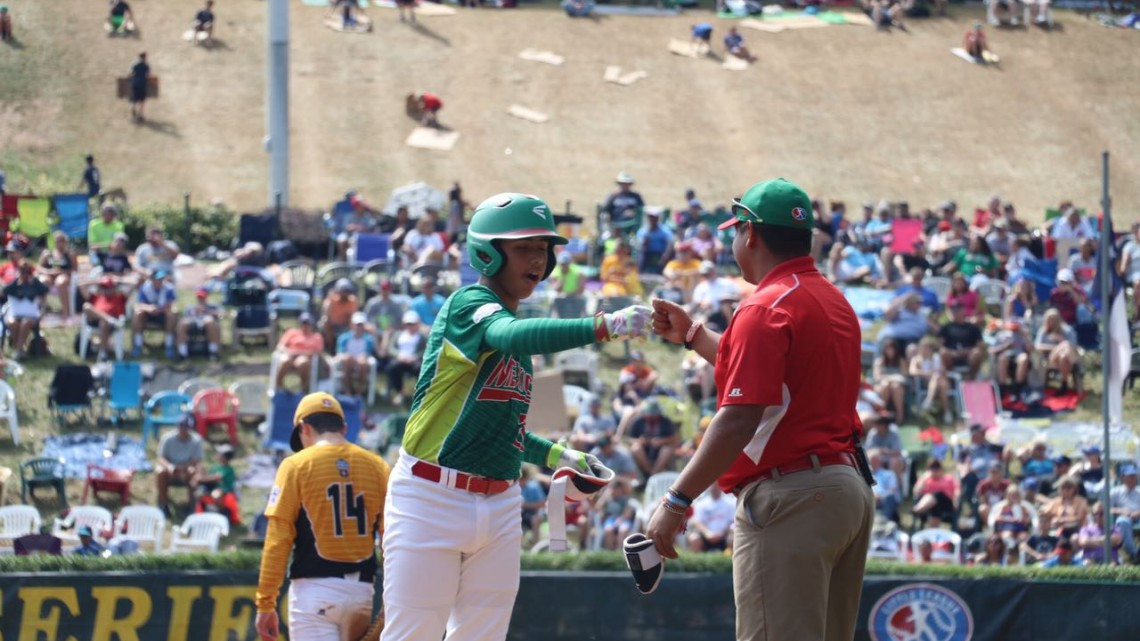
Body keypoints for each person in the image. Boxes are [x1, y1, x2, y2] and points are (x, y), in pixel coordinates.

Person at [380, 193, 649, 641]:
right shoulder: (469, 306)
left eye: (544, 249)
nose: (538, 259)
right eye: (524, 247)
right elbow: (506, 334)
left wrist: (559, 455)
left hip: (502, 503)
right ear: (487, 251)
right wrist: (603, 325)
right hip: (431, 497)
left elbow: (505, 432)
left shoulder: (516, 339)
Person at [647, 178, 873, 641]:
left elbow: (740, 417)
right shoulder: (832, 300)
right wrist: (694, 336)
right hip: (845, 490)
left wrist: (676, 500)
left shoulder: (764, 307)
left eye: (735, 231)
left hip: (791, 496)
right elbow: (775, 382)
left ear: (750, 234)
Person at [255, 393, 390, 641]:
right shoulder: (377, 466)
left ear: (304, 428)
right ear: (344, 427)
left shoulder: (295, 465)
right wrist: (393, 596)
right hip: (362, 591)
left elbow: (278, 539)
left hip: (314, 592)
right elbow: (391, 539)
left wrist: (265, 602)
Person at [156, 415, 205, 517]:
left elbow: (197, 460)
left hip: (187, 469)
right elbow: (161, 458)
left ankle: (191, 506)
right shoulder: (167, 439)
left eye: (186, 428)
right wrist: (170, 467)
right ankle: (164, 505)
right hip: (170, 470)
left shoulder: (197, 440)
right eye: (181, 427)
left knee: (195, 472)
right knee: (160, 471)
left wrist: (184, 468)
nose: (183, 430)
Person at [3, 263, 48, 360]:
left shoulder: (35, 284)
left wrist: (43, 308)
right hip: (14, 314)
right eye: (22, 272)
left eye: (27, 272)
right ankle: (20, 350)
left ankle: (18, 350)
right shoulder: (14, 284)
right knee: (12, 323)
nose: (24, 275)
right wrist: (17, 280)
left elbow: (45, 291)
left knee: (25, 322)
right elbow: (3, 291)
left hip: (31, 316)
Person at [625, 398, 679, 479]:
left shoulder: (666, 421)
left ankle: (654, 474)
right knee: (635, 448)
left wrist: (661, 441)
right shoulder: (638, 421)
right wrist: (640, 441)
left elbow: (674, 438)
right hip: (644, 451)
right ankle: (648, 473)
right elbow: (630, 439)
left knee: (667, 449)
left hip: (660, 451)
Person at [131, 270, 177, 358]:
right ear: (152, 279)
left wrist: (159, 310)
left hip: (163, 315)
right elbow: (140, 304)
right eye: (158, 279)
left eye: (161, 279)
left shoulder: (169, 288)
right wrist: (149, 308)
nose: (160, 281)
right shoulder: (145, 287)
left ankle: (169, 346)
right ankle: (138, 345)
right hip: (148, 315)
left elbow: (170, 304)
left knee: (171, 315)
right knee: (138, 314)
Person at [1035, 308, 1083, 393]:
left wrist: (1060, 339)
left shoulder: (1067, 330)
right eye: (1049, 321)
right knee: (1065, 344)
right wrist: (1056, 347)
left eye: (1053, 320)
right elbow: (1038, 346)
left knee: (1063, 356)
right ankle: (1076, 365)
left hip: (1065, 357)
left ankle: (1064, 385)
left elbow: (1074, 346)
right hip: (1049, 357)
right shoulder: (1043, 331)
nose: (1051, 323)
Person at [274, 313, 325, 391]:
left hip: (305, 357)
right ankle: (278, 386)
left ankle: (303, 389)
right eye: (304, 323)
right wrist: (289, 352)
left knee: (303, 362)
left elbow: (318, 351)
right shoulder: (292, 333)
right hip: (289, 355)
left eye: (308, 323)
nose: (306, 325)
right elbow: (280, 346)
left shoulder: (317, 337)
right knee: (285, 360)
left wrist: (301, 353)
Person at [82, 276, 128, 361]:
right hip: (95, 320)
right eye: (104, 287)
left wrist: (119, 280)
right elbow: (81, 285)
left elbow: (134, 283)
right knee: (86, 306)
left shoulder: (119, 297)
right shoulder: (96, 296)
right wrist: (96, 282)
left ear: (113, 287)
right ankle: (109, 320)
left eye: (109, 287)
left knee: (103, 323)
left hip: (110, 324)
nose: (106, 290)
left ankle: (103, 354)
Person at [36, 232, 78, 320]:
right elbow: (39, 267)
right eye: (57, 241)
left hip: (63, 275)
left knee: (61, 282)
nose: (59, 243)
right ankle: (42, 309)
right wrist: (48, 271)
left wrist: (62, 271)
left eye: (62, 241)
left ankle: (66, 311)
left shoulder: (70, 254)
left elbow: (74, 269)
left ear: (65, 242)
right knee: (43, 281)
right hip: (49, 275)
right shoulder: (47, 253)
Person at [193, 444, 239, 523]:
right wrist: (200, 473)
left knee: (216, 494)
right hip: (213, 488)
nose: (217, 455)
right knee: (199, 493)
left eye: (219, 454)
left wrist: (201, 478)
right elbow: (209, 477)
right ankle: (202, 513)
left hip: (225, 491)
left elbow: (217, 477)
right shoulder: (215, 467)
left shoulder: (228, 469)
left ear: (224, 457)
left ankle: (221, 512)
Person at [909, 339, 953, 423]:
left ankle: (929, 400)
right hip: (926, 383)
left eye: (927, 348)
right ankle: (947, 412)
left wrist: (937, 374)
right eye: (923, 348)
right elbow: (912, 371)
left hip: (941, 382)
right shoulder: (917, 359)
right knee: (938, 380)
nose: (925, 350)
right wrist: (929, 373)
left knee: (941, 382)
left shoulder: (937, 358)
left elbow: (944, 371)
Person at [939, 301, 985, 378]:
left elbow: (979, 346)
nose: (955, 313)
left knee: (977, 353)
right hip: (952, 355)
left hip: (969, 355)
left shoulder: (972, 327)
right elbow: (941, 346)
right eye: (953, 310)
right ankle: (951, 378)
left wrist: (967, 351)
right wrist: (953, 352)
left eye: (957, 310)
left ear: (963, 310)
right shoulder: (946, 327)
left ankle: (970, 378)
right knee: (944, 353)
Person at [336, 312, 377, 398]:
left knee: (362, 363)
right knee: (347, 360)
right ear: (352, 325)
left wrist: (360, 358)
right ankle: (347, 390)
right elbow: (340, 352)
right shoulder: (344, 338)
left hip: (361, 361)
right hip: (347, 361)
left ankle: (359, 392)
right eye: (357, 325)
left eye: (360, 325)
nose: (358, 327)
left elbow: (367, 353)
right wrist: (350, 358)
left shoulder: (369, 339)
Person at [687, 484, 736, 552]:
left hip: (725, 534)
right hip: (706, 535)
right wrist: (707, 533)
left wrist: (721, 533)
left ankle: (732, 561)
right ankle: (695, 561)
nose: (714, 488)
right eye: (712, 486)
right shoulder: (701, 503)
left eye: (716, 486)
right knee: (694, 538)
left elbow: (732, 521)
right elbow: (697, 522)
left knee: (734, 538)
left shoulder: (731, 503)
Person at [912, 459, 960, 528]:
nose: (935, 470)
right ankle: (934, 533)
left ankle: (917, 510)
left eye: (937, 468)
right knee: (934, 505)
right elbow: (916, 492)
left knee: (937, 495)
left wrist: (956, 500)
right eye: (932, 468)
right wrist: (924, 478)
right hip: (929, 506)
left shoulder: (949, 478)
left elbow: (957, 490)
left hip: (946, 503)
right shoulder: (925, 479)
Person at [177, 288, 221, 360]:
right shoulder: (190, 308)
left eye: (202, 297)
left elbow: (222, 314)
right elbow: (185, 317)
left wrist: (207, 311)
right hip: (192, 324)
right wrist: (194, 312)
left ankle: (213, 352)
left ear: (206, 297)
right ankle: (183, 354)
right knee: (182, 323)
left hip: (208, 325)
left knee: (209, 321)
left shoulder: (213, 307)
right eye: (199, 297)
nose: (200, 299)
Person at [320, 278, 359, 348]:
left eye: (347, 291)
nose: (345, 294)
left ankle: (348, 346)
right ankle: (330, 346)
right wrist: (331, 299)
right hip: (333, 325)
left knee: (353, 322)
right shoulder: (331, 300)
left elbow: (354, 316)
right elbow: (326, 314)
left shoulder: (352, 300)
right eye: (343, 291)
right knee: (325, 321)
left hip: (345, 325)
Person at [128, 52, 149, 122]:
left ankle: (133, 108)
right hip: (142, 84)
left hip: (135, 84)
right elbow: (148, 75)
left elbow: (130, 74)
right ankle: (141, 115)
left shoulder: (135, 65)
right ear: (145, 57)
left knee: (134, 99)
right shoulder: (146, 65)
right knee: (142, 101)